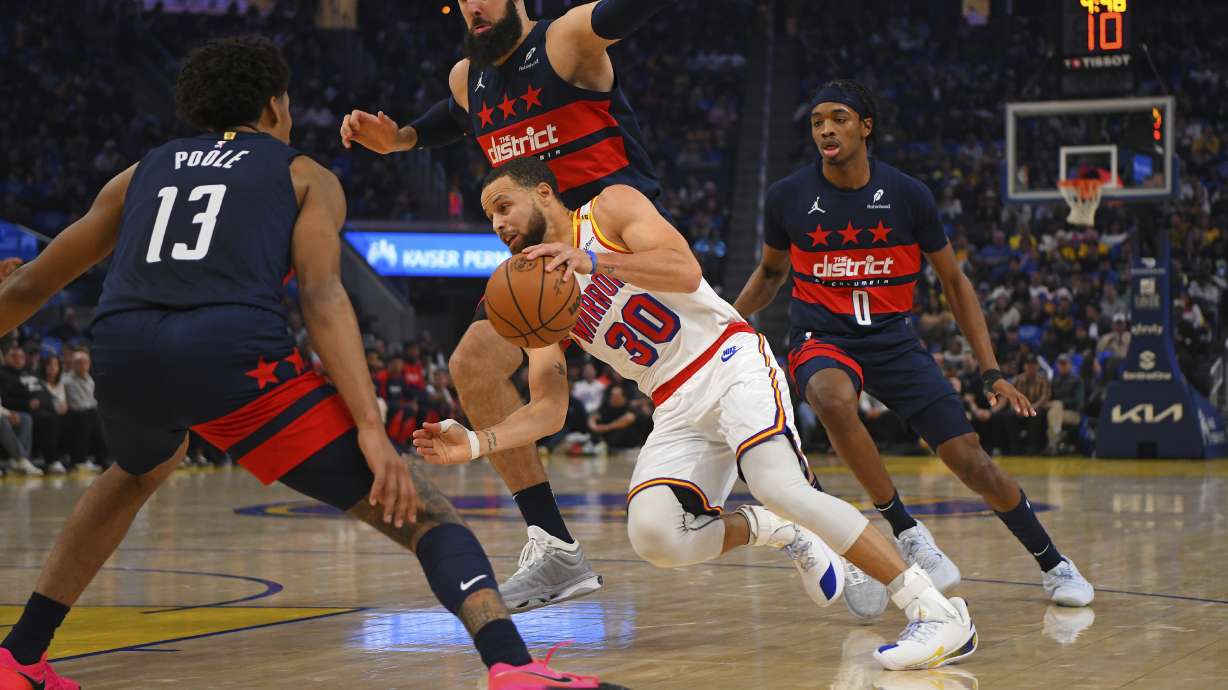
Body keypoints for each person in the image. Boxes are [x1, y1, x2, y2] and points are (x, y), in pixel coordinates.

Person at [0, 36, 616, 690]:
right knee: (429, 518)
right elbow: (323, 298)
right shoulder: (302, 174)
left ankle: (19, 656)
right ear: (274, 106)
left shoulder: (143, 169)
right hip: (231, 357)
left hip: (122, 354)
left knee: (135, 471)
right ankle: (513, 667)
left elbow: (31, 287)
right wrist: (371, 431)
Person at [416, 158, 980, 672]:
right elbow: (550, 407)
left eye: (503, 206)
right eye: (489, 215)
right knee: (657, 536)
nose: (497, 223)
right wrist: (475, 443)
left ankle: (936, 611)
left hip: (730, 359)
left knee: (780, 483)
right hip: (675, 402)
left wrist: (591, 258)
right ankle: (773, 529)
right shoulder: (537, 284)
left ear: (543, 194)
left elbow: (684, 271)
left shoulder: (608, 209)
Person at [340, 0, 680, 612]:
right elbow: (456, 113)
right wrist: (404, 139)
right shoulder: (464, 78)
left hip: (615, 240)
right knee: (473, 364)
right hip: (545, 261)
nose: (472, 5)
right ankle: (555, 549)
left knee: (715, 395)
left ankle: (820, 519)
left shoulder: (567, 41)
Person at [733, 79, 1093, 615]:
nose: (826, 129)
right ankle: (906, 529)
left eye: (838, 118)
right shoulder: (787, 196)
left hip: (894, 340)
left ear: (865, 126)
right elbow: (769, 272)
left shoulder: (908, 195)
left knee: (972, 463)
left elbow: (954, 282)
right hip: (822, 337)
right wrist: (729, 324)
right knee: (830, 398)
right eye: (816, 121)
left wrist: (990, 369)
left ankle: (1053, 562)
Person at [61, 350, 109, 472]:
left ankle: (101, 459)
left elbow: (94, 400)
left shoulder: (90, 379)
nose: (82, 365)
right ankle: (78, 460)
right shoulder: (67, 380)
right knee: (89, 416)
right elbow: (76, 404)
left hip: (90, 413)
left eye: (85, 362)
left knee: (100, 418)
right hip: (74, 414)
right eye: (79, 362)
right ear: (73, 364)